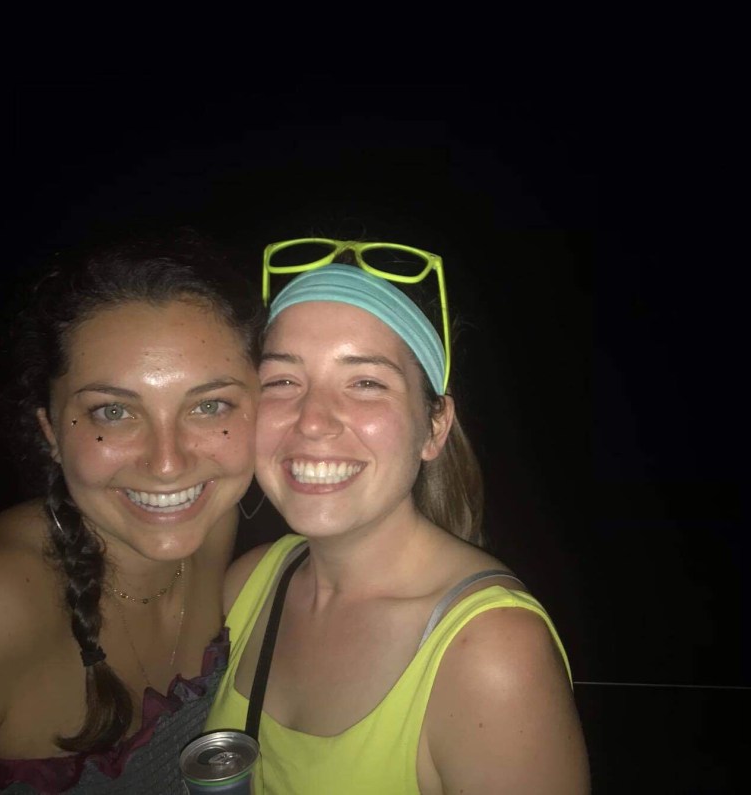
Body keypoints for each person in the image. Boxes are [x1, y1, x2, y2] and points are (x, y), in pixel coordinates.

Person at [0, 232, 262, 793]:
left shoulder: (215, 527)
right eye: (113, 412)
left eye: (209, 405)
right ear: (51, 431)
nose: (168, 464)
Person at [205, 238, 591, 794]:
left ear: (434, 426)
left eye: (366, 382)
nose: (312, 421)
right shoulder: (248, 584)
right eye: (282, 381)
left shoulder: (493, 653)